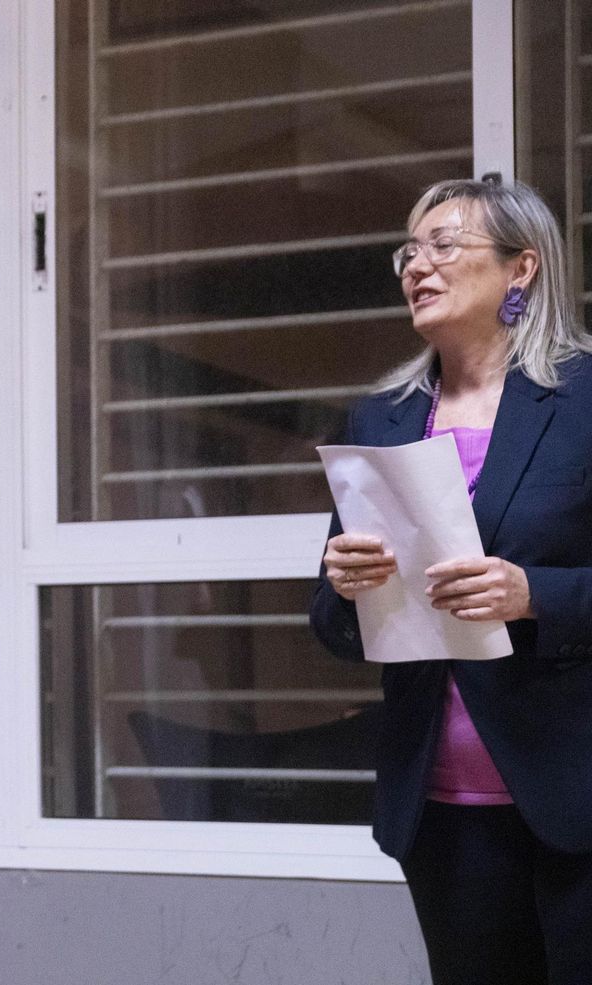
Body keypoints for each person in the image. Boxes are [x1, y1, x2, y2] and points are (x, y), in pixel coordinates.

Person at [310, 178, 592, 985]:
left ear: (521, 269)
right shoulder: (382, 417)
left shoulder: (582, 401)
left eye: (443, 245)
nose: (415, 266)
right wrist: (346, 585)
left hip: (575, 797)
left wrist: (531, 593)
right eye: (408, 250)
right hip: (440, 807)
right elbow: (330, 622)